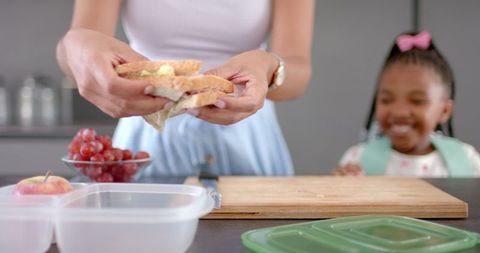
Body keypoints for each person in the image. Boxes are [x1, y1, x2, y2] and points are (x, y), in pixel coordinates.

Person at [57, 0, 315, 176]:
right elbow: (78, 45)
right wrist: (75, 46)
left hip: (247, 137)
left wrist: (269, 67)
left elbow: (299, 73)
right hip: (146, 134)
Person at [331, 31, 480, 177]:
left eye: (417, 101)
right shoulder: (358, 159)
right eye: (386, 100)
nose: (399, 112)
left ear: (445, 111)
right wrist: (341, 187)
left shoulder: (468, 161)